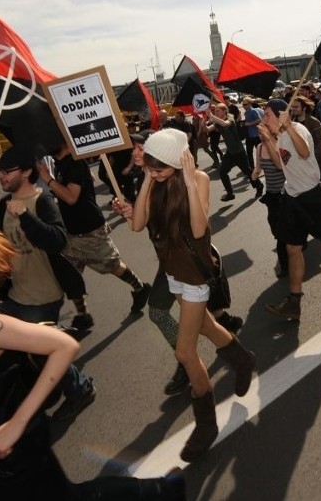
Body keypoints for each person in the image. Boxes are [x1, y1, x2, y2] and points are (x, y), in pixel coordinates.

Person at [0, 215, 185, 500]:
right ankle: (162, 491)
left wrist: (16, 424)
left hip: (14, 445)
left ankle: (160, 491)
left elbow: (64, 345)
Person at [132, 128, 255, 462]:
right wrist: (146, 179)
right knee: (204, 327)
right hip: (171, 272)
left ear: (177, 160)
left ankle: (206, 423)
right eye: (150, 166)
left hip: (194, 277)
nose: (154, 172)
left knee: (186, 353)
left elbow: (200, 229)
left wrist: (188, 181)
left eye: (159, 167)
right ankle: (243, 359)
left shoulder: (196, 178)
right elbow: (137, 225)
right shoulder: (154, 182)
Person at [0, 145, 96, 426]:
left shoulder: (42, 201)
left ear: (25, 172)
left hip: (44, 295)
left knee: (43, 350)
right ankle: (47, 390)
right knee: (17, 349)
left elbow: (57, 240)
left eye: (6, 171)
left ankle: (80, 390)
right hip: (14, 293)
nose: (0, 176)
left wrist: (26, 216)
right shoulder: (2, 206)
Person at [36, 142, 151, 326]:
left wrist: (47, 178)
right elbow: (87, 178)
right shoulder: (61, 162)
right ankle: (83, 315)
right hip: (70, 231)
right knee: (69, 275)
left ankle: (140, 287)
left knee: (112, 265)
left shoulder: (74, 162)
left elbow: (71, 197)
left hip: (89, 228)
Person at [260, 99, 321, 321]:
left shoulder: (298, 130)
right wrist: (268, 139)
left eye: (267, 115)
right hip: (292, 197)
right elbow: (279, 164)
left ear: (280, 114)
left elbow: (304, 152)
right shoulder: (280, 136)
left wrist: (288, 126)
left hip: (312, 197)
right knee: (292, 248)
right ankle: (294, 302)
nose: (264, 119)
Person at [251, 123, 288, 278]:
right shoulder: (259, 148)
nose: (261, 136)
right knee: (273, 223)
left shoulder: (280, 146)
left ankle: (285, 266)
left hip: (285, 193)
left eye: (263, 133)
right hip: (271, 193)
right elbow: (259, 166)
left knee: (281, 232)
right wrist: (255, 173)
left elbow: (282, 167)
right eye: (259, 133)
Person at [206, 103, 263, 202]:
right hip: (230, 153)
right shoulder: (217, 122)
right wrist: (202, 121)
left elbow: (225, 124)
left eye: (218, 111)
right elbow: (207, 129)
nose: (216, 113)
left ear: (225, 111)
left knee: (248, 172)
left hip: (239, 152)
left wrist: (211, 116)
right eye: (215, 111)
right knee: (222, 172)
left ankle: (259, 186)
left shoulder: (230, 118)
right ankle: (230, 193)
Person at [241, 97, 264, 170]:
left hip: (256, 135)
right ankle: (252, 168)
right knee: (249, 153)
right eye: (243, 105)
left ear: (250, 104)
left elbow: (259, 120)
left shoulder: (254, 111)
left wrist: (249, 124)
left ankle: (264, 165)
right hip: (249, 136)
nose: (244, 106)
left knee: (260, 152)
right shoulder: (245, 113)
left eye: (246, 104)